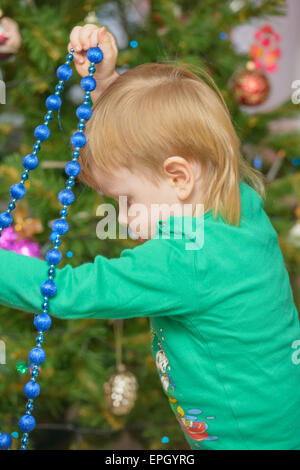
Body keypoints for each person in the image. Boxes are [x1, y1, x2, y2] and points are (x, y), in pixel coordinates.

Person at [0, 24, 300, 450]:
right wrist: (105, 85)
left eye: (128, 200)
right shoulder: (238, 201)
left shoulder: (186, 258)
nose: (124, 221)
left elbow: (65, 292)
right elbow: (148, 135)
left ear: (179, 175)